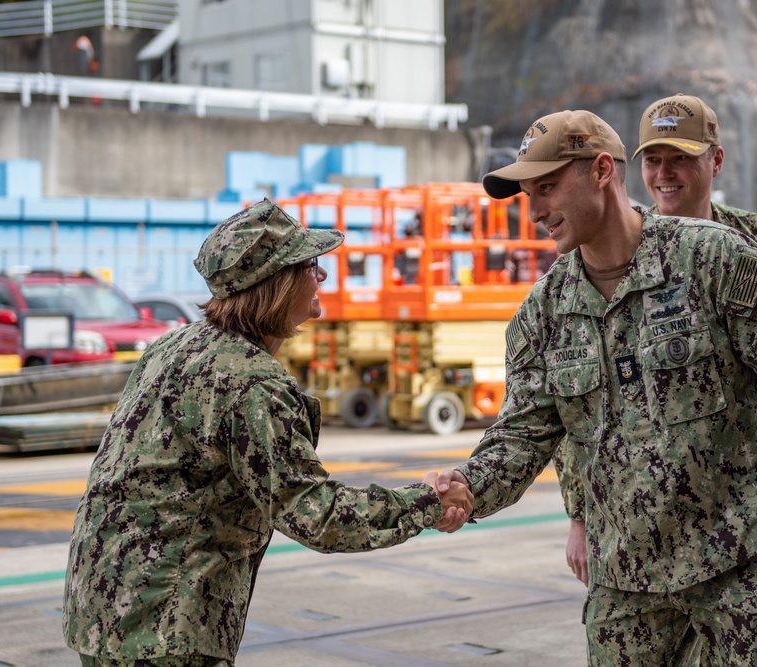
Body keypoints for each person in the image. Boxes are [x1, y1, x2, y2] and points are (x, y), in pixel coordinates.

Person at [437, 110, 757, 665]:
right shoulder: (541, 315)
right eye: (526, 195)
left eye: (546, 188)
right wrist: (463, 488)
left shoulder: (714, 259)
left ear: (601, 171)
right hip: (625, 583)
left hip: (739, 566)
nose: (536, 211)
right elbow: (519, 437)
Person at [62, 198, 474, 666]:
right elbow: (317, 515)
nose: (321, 276)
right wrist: (425, 501)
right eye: (310, 265)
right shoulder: (252, 384)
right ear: (276, 282)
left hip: (101, 607)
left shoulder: (173, 346)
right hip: (167, 623)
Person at [560, 93, 757, 588]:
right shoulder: (611, 255)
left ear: (715, 160)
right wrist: (580, 514)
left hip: (741, 526)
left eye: (681, 158)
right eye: (653, 159)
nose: (664, 173)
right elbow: (580, 399)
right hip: (638, 540)